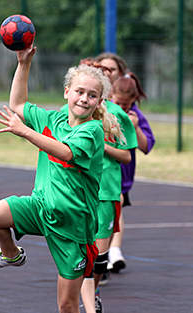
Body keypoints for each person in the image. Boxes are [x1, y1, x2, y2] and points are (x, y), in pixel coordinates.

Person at [0, 45, 120, 313]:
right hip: (40, 207)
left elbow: (65, 152)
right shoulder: (55, 119)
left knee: (66, 305)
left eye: (92, 95)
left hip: (73, 226)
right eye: (79, 91)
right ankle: (10, 254)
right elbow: (17, 104)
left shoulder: (93, 131)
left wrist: (25, 131)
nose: (84, 98)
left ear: (99, 102)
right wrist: (23, 63)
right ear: (67, 92)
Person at [61, 59, 138, 313]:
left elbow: (127, 155)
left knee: (99, 261)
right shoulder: (74, 110)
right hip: (77, 194)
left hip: (106, 193)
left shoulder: (117, 117)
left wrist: (100, 144)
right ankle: (86, 306)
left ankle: (91, 293)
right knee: (81, 257)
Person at [105, 71, 156, 276]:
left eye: (126, 105)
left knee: (113, 212)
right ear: (110, 96)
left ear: (134, 100)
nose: (122, 108)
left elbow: (146, 146)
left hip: (122, 177)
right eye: (119, 103)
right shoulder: (104, 111)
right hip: (103, 174)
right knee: (107, 214)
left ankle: (109, 254)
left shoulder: (135, 116)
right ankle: (108, 254)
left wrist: (133, 127)